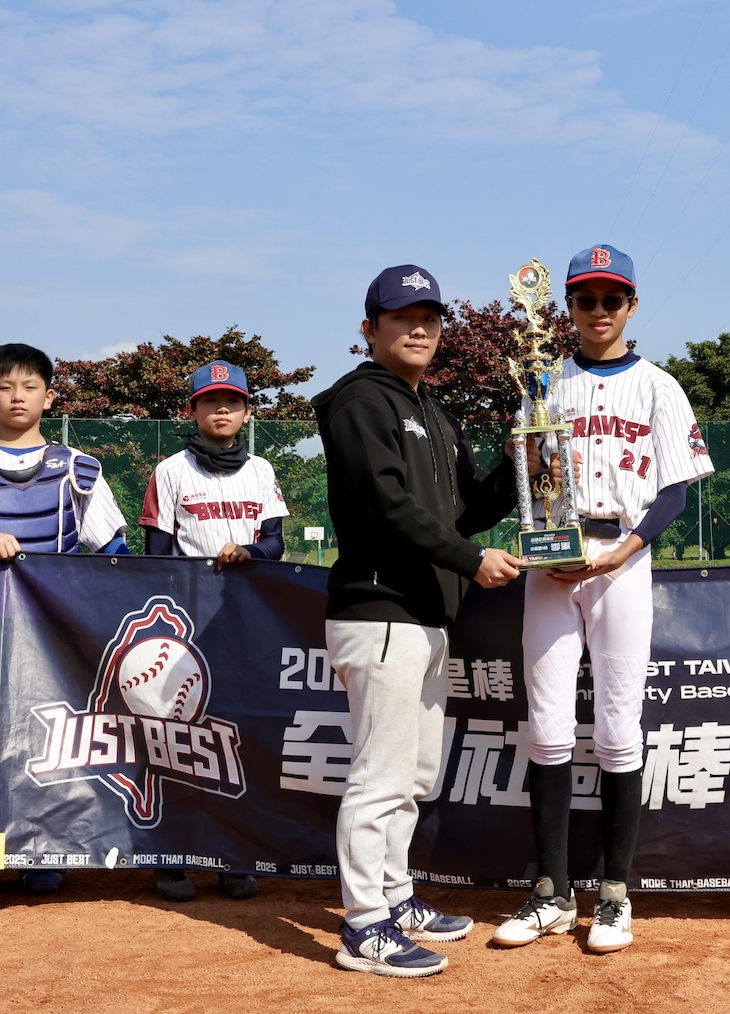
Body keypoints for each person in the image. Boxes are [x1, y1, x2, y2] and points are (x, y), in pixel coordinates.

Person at [492, 244, 713, 955]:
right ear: (566, 307)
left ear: (631, 306)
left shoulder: (658, 385)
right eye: (584, 299)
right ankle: (552, 892)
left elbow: (675, 489)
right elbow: (527, 474)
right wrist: (527, 472)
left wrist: (628, 548)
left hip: (622, 556)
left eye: (610, 298)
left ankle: (615, 893)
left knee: (619, 730)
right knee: (547, 728)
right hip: (551, 559)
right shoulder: (542, 381)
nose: (597, 310)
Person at [312, 264, 525, 978]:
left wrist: (518, 460)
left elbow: (466, 511)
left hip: (428, 616)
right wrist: (469, 560)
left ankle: (394, 896)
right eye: (402, 317)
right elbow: (384, 506)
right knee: (380, 775)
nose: (418, 329)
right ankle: (363, 926)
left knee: (413, 776)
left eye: (428, 318)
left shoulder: (435, 412)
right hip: (379, 611)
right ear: (369, 329)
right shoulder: (358, 400)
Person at [0, 342, 129, 899]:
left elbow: (113, 549)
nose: (18, 397)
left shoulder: (79, 469)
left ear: (48, 397)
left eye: (30, 387)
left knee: (50, 739)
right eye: (5, 387)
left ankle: (43, 850)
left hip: (54, 630)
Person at [139, 359, 287, 903]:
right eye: (210, 400)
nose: (221, 408)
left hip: (242, 620)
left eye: (232, 401)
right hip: (184, 622)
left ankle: (231, 856)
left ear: (247, 411)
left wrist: (249, 551)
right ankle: (171, 858)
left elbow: (274, 543)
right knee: (173, 737)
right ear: (193, 409)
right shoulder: (170, 470)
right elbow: (156, 555)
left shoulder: (261, 470)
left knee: (232, 736)